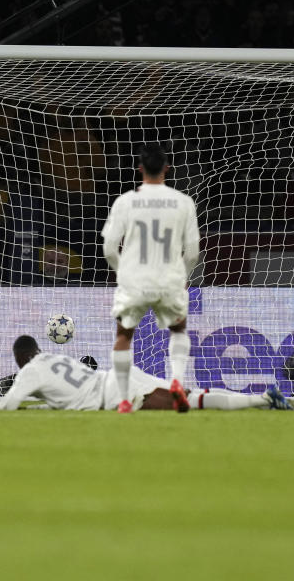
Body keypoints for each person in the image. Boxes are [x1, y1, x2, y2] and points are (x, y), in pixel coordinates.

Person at [101, 143, 200, 414]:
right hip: (169, 279)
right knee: (178, 329)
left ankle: (123, 399)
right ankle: (177, 383)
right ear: (167, 168)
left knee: (123, 335)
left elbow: (109, 248)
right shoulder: (184, 202)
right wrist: (183, 277)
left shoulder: (125, 201)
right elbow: (192, 252)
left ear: (140, 168)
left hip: (135, 280)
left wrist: (122, 273)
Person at [0, 336, 293, 412]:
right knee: (193, 395)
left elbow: (8, 405)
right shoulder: (56, 357)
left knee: (186, 403)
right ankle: (263, 398)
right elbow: (61, 398)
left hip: (119, 394)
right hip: (120, 378)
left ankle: (262, 399)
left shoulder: (29, 371)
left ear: (21, 359)